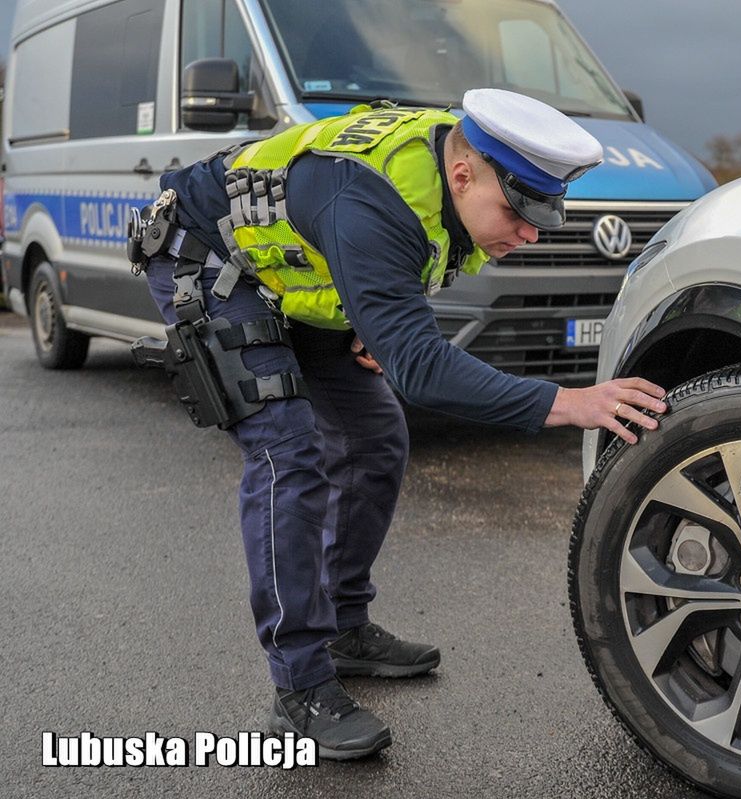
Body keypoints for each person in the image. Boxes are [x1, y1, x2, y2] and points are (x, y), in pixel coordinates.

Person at [130, 89, 667, 760]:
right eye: (518, 212)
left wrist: (370, 318)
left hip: (286, 266)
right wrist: (570, 402)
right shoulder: (372, 206)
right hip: (207, 259)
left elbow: (395, 302)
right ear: (465, 173)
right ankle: (299, 687)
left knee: (377, 434)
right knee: (288, 454)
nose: (530, 233)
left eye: (543, 216)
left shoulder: (449, 163)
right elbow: (421, 368)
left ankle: (343, 627)